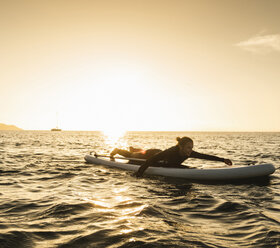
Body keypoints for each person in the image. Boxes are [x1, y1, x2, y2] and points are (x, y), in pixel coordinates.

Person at [135, 136, 232, 177]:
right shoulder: (170, 152)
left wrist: (223, 160)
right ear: (181, 147)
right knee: (133, 155)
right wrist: (139, 173)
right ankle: (121, 150)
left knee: (137, 152)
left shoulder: (189, 153)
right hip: (151, 154)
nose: (190, 150)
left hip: (160, 156)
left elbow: (204, 156)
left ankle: (134, 149)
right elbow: (151, 160)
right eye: (188, 147)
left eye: (191, 148)